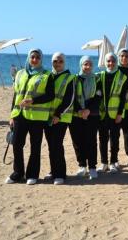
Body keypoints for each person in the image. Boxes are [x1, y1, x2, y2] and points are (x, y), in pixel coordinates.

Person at [5, 49, 55, 185]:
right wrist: (12, 115)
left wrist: (33, 100)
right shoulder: (20, 73)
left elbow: (50, 95)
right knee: (16, 144)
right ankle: (18, 173)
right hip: (19, 115)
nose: (34, 60)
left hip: (37, 117)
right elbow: (16, 95)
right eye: (32, 57)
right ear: (28, 58)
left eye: (37, 57)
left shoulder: (47, 75)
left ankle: (32, 174)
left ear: (41, 59)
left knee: (35, 146)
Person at [44, 52, 75, 185]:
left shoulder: (70, 77)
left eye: (60, 61)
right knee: (51, 145)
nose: (57, 63)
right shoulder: (48, 76)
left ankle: (60, 174)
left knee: (57, 145)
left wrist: (58, 115)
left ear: (64, 62)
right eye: (55, 61)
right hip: (47, 117)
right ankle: (53, 171)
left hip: (61, 117)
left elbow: (70, 99)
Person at [97, 52, 128, 174]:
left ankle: (113, 162)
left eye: (113, 61)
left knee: (115, 139)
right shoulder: (99, 76)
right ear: (105, 62)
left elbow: (123, 98)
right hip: (102, 114)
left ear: (116, 62)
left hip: (116, 114)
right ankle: (104, 163)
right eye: (108, 61)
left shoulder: (122, 77)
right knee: (102, 139)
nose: (110, 63)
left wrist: (120, 113)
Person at [70, 56, 101, 180]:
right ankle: (82, 165)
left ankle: (92, 167)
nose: (87, 67)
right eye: (85, 64)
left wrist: (88, 110)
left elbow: (98, 96)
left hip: (92, 114)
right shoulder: (75, 79)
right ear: (81, 65)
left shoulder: (97, 79)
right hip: (76, 115)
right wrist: (79, 110)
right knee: (78, 141)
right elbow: (72, 96)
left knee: (91, 141)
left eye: (89, 64)